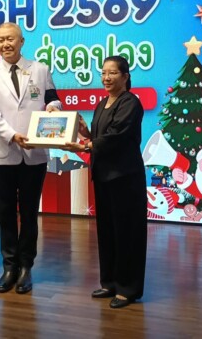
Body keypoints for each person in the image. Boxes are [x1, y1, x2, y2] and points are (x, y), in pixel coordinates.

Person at [0, 22, 62, 294]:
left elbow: (53, 98)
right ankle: (9, 266)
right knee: (4, 214)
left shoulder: (40, 69)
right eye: (1, 40)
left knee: (28, 213)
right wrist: (12, 135)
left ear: (22, 41)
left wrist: (53, 108)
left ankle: (26, 267)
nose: (6, 44)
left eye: (11, 39)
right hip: (1, 153)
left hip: (34, 154)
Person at [63, 56, 147, 309]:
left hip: (125, 178)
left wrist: (86, 146)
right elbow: (100, 137)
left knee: (127, 233)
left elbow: (116, 137)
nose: (106, 78)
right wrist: (85, 133)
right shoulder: (102, 103)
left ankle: (127, 288)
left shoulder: (130, 102)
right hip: (103, 176)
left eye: (113, 73)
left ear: (125, 76)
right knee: (107, 232)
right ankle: (109, 282)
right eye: (103, 73)